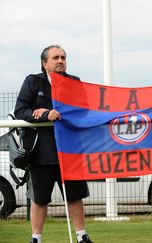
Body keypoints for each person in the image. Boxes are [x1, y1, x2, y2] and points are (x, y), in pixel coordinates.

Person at [15, 45, 93, 243]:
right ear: (44, 63)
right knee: (40, 199)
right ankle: (36, 239)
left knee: (75, 196)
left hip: (70, 150)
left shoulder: (74, 82)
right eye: (56, 57)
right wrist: (43, 114)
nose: (60, 61)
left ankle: (82, 237)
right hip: (42, 152)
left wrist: (59, 113)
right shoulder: (33, 82)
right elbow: (21, 111)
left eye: (63, 57)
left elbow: (84, 110)